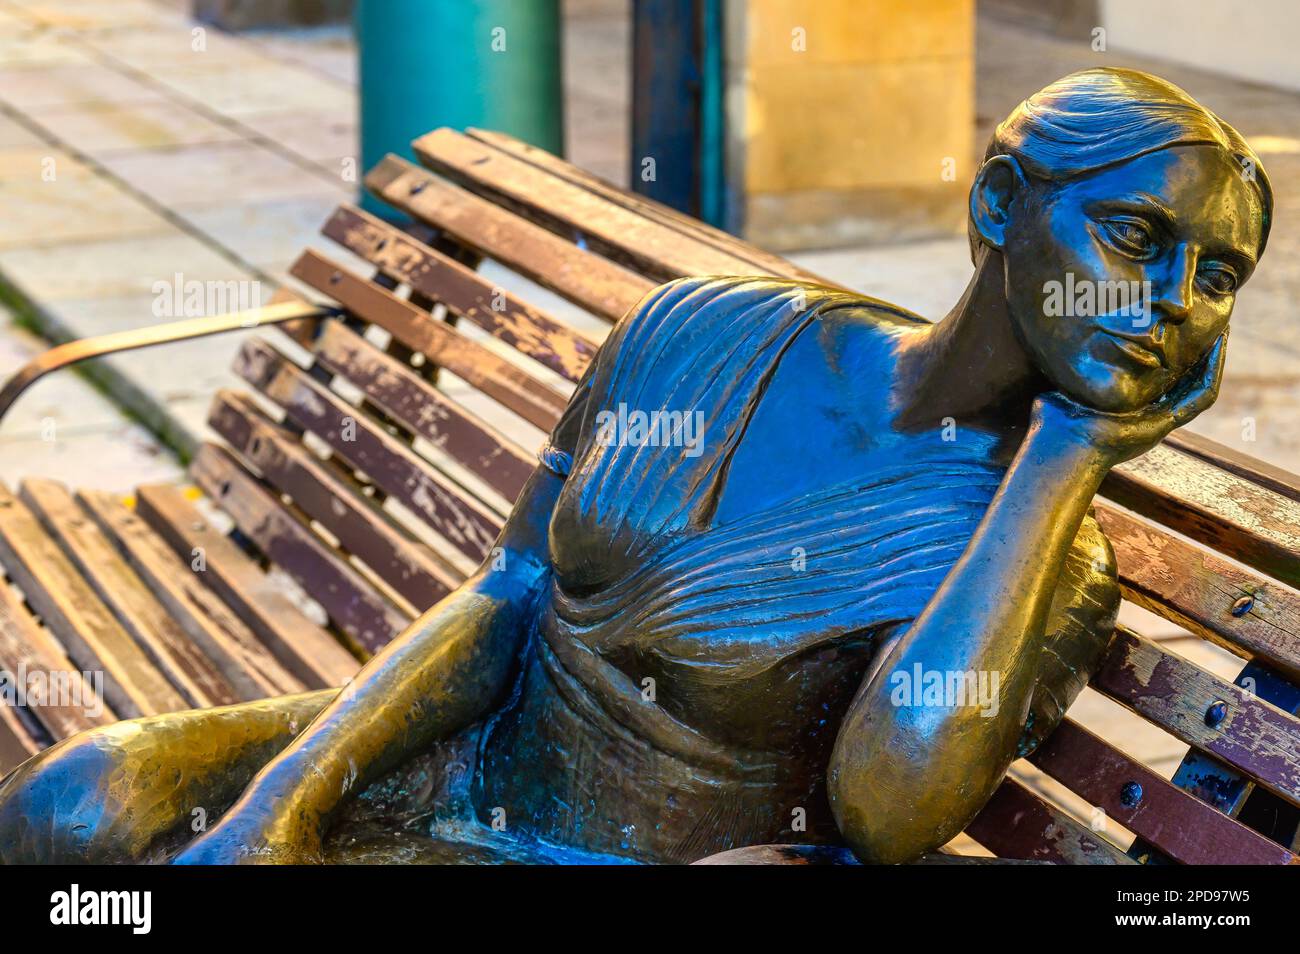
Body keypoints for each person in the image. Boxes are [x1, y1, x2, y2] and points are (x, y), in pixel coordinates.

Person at [0, 68, 1272, 865]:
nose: (1170, 302)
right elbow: (507, 590)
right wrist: (284, 799)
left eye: (1214, 280)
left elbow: (886, 825)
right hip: (457, 763)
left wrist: (1062, 456)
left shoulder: (1044, 558)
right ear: (998, 204)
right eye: (1134, 236)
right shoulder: (703, 332)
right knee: (71, 810)